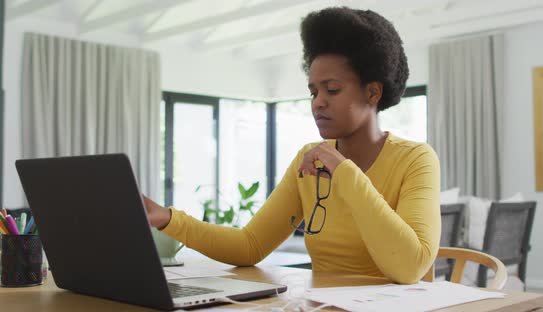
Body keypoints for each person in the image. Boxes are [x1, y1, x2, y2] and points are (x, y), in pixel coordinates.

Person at [144, 7, 440, 284]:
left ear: (373, 92)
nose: (318, 102)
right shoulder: (309, 160)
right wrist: (169, 218)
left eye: (332, 89)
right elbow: (250, 245)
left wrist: (344, 172)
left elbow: (410, 267)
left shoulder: (416, 159)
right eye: (313, 92)